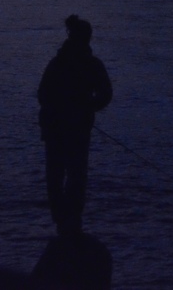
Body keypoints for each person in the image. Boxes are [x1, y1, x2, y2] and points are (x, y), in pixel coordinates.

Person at [38, 15, 112, 236]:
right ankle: (70, 220)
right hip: (72, 129)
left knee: (57, 175)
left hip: (57, 128)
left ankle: (63, 220)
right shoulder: (91, 65)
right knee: (75, 175)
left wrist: (83, 107)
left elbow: (42, 94)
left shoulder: (58, 63)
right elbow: (105, 95)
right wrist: (88, 107)